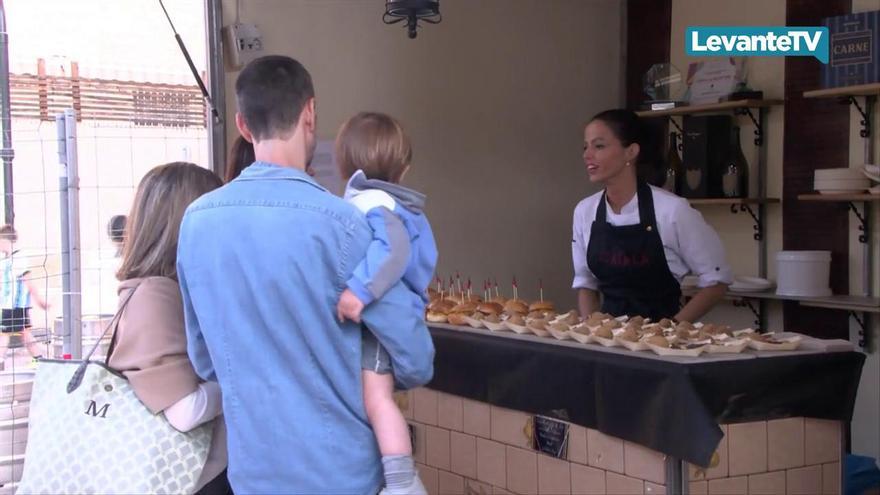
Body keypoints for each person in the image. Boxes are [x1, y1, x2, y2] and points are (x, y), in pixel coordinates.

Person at [176, 55, 434, 494]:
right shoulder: (345, 225)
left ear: (242, 125)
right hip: (341, 473)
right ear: (310, 113)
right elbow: (412, 354)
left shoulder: (196, 222)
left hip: (254, 473)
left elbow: (204, 359)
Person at [108, 162, 229, 495]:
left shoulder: (170, 290)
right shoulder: (155, 297)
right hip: (193, 479)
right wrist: (244, 381)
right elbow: (184, 411)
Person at [335, 112, 437, 495]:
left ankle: (402, 482)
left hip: (381, 318)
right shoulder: (389, 201)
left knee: (378, 400)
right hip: (388, 313)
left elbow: (393, 250)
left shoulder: (373, 201)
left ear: (343, 162)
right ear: (404, 168)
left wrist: (358, 292)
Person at [572, 109, 732, 322]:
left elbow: (717, 282)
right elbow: (586, 282)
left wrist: (671, 329)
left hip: (661, 343)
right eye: (586, 146)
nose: (587, 155)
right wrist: (591, 329)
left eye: (598, 146)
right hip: (607, 342)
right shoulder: (585, 211)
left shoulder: (673, 210)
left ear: (631, 152)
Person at [0, 225, 50, 362]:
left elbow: (29, 281)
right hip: (8, 305)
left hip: (14, 306)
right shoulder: (6, 260)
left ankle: (0, 360)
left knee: (4, 333)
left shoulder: (18, 259)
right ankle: (40, 360)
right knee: (23, 333)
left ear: (5, 240)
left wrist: (40, 300)